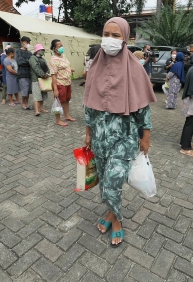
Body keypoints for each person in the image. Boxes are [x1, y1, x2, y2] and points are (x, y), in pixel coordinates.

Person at [84, 17, 156, 247]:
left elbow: (143, 108)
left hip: (124, 138)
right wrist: (87, 134)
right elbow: (88, 105)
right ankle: (110, 213)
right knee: (104, 185)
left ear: (125, 39)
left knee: (114, 183)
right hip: (99, 137)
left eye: (116, 36)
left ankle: (117, 222)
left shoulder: (134, 68)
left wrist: (146, 138)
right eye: (107, 34)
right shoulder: (95, 66)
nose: (110, 40)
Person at [49, 39, 76, 126]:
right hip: (60, 83)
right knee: (59, 101)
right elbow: (53, 75)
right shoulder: (53, 60)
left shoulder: (64, 56)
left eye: (62, 45)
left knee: (67, 100)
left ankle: (67, 116)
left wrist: (70, 69)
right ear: (54, 48)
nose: (62, 47)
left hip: (67, 82)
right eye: (59, 46)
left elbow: (66, 66)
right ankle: (58, 120)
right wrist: (55, 89)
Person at [29, 44, 50, 116]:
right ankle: (37, 110)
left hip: (43, 79)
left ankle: (41, 108)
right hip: (36, 79)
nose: (43, 51)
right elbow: (35, 67)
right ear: (37, 51)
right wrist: (43, 74)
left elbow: (47, 68)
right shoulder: (33, 58)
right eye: (42, 50)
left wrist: (47, 73)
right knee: (36, 95)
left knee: (43, 94)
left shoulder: (42, 59)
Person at [16, 36, 33, 110]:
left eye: (29, 42)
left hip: (29, 74)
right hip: (22, 74)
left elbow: (32, 62)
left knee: (29, 90)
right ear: (22, 42)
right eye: (27, 42)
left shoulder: (30, 53)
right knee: (24, 90)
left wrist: (27, 62)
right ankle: (23, 103)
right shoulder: (18, 51)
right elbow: (20, 62)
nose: (28, 44)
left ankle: (27, 103)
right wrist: (28, 62)